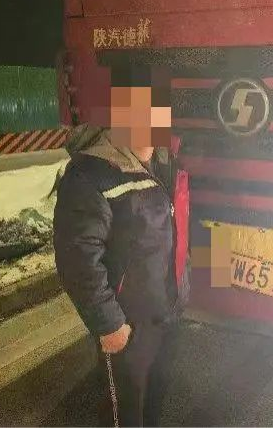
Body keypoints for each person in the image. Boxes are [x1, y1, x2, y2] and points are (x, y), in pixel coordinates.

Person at [52, 65, 189, 427]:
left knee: (153, 405)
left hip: (164, 314)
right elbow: (78, 260)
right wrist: (109, 323)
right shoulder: (90, 176)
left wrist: (181, 292)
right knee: (125, 416)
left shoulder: (163, 162)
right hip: (127, 328)